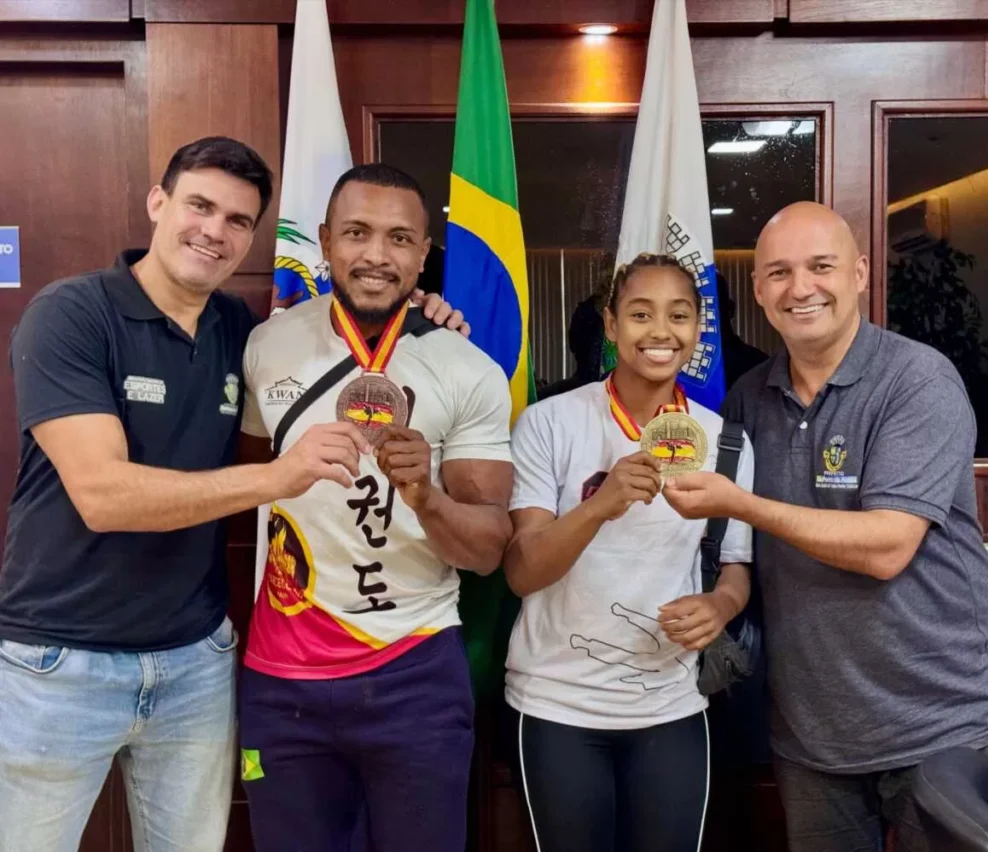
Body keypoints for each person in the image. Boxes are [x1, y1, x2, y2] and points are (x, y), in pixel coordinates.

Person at [0, 137, 467, 852]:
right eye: (199, 206)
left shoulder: (241, 334)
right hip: (61, 660)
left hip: (195, 661)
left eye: (238, 220)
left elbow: (354, 325)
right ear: (158, 204)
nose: (214, 232)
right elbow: (103, 495)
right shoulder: (72, 314)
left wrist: (423, 315)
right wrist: (282, 475)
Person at [664, 201, 988, 852]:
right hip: (813, 734)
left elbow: (887, 546)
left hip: (940, 723)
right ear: (759, 291)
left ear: (858, 273)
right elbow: (736, 553)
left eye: (820, 266)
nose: (800, 288)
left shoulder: (917, 381)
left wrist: (741, 505)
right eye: (779, 272)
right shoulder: (747, 398)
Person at [236, 163, 515, 852]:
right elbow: (246, 493)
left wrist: (425, 495)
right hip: (283, 676)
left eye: (399, 239)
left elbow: (487, 550)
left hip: (413, 671)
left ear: (424, 254)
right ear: (326, 241)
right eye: (357, 233)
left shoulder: (465, 367)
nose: (376, 255)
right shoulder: (267, 346)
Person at [503, 253, 756, 852]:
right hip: (556, 702)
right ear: (611, 325)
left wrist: (720, 605)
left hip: (670, 705)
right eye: (640, 314)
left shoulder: (725, 442)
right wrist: (598, 504)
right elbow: (521, 571)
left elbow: (736, 569)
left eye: (679, 316)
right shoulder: (550, 424)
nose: (661, 332)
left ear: (698, 331)